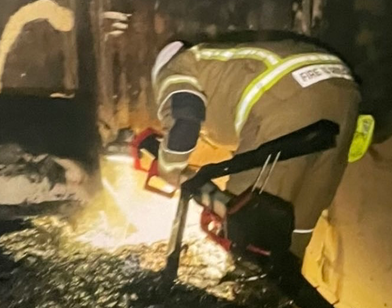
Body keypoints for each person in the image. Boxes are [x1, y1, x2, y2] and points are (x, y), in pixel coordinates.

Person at [152, 32, 362, 258]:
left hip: (286, 99)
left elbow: (184, 124)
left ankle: (251, 274)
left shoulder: (174, 68)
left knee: (247, 229)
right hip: (344, 93)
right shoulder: (220, 69)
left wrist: (169, 169)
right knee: (298, 229)